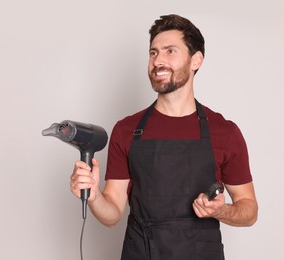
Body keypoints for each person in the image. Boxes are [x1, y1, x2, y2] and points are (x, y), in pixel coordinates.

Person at [70, 14, 258, 260]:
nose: (158, 60)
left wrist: (221, 211)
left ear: (196, 60)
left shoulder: (224, 132)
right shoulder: (126, 130)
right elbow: (112, 212)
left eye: (170, 51)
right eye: (153, 53)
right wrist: (94, 196)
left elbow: (249, 210)